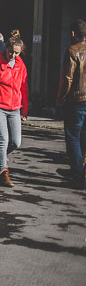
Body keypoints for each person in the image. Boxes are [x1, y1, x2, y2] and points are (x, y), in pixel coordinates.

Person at [0, 36, 28, 187]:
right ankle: (3, 172)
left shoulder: (20, 66)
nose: (13, 56)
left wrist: (25, 109)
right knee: (3, 138)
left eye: (17, 53)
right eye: (11, 52)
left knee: (16, 141)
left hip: (15, 107)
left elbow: (23, 88)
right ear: (6, 49)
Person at [58, 19, 86, 189]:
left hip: (77, 99)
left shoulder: (72, 50)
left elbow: (68, 78)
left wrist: (63, 97)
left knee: (73, 136)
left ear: (74, 34)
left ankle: (77, 172)